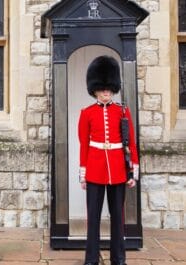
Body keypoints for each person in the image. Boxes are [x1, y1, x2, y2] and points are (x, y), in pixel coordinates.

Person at [78, 56, 139, 265]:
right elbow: (84, 145)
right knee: (93, 219)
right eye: (102, 88)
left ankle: (119, 259)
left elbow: (131, 143)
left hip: (118, 170)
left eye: (108, 88)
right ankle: (91, 259)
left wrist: (132, 172)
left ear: (113, 88)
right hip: (95, 170)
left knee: (118, 219)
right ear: (95, 89)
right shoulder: (86, 113)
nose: (105, 92)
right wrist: (83, 175)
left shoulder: (122, 111)